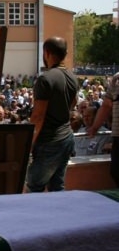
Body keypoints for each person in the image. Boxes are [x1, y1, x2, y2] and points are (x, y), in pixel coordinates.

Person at [25, 37, 78, 193]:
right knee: (57, 188)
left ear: (46, 53)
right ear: (65, 54)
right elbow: (73, 103)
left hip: (49, 141)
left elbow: (38, 116)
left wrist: (28, 143)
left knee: (33, 188)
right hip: (66, 138)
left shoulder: (45, 79)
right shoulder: (72, 77)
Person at [88, 73, 119, 186]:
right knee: (116, 172)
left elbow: (106, 105)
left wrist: (95, 127)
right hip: (118, 135)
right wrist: (94, 127)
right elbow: (106, 105)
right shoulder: (116, 79)